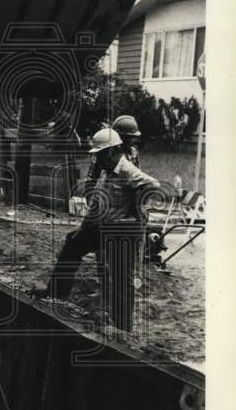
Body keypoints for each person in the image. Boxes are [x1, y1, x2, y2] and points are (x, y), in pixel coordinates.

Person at [34, 127, 159, 331]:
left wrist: (137, 206)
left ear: (110, 152)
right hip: (103, 226)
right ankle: (55, 293)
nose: (96, 159)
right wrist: (82, 227)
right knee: (73, 243)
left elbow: (152, 184)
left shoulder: (127, 170)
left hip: (123, 230)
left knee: (121, 278)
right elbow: (96, 202)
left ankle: (122, 328)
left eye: (99, 154)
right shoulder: (106, 171)